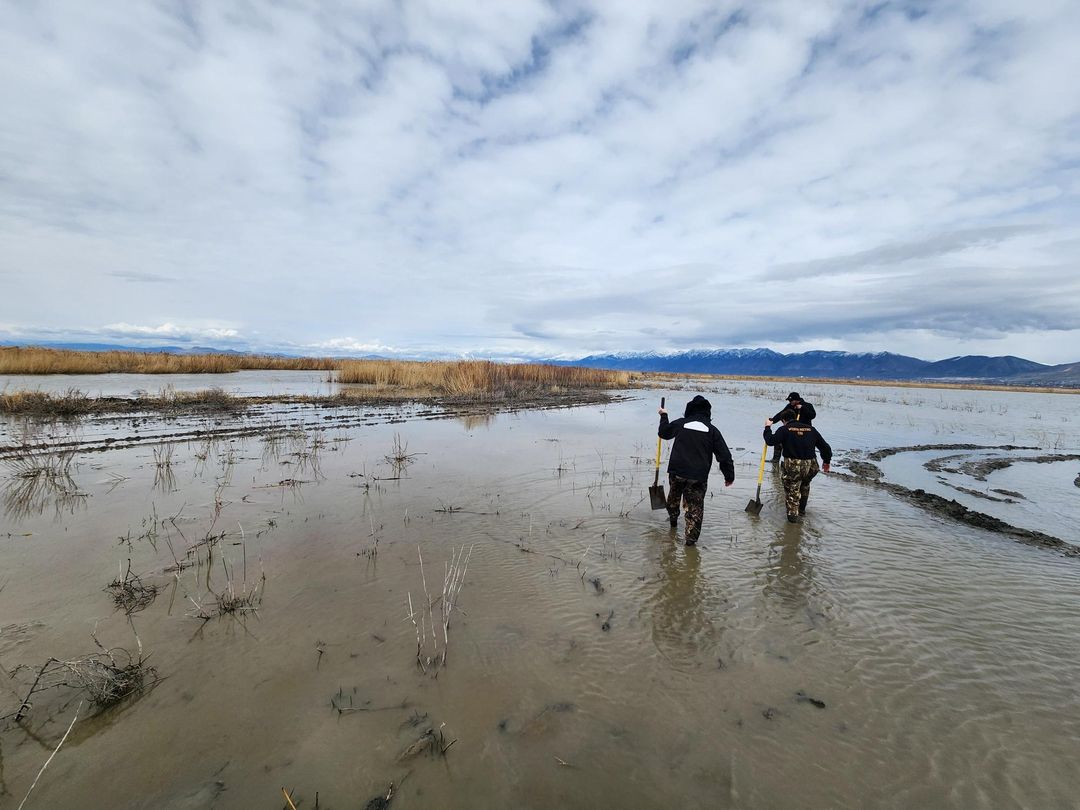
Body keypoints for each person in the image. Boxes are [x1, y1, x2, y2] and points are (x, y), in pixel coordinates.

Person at [658, 395, 735, 545]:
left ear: (689, 410)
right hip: (697, 476)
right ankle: (690, 544)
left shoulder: (681, 423)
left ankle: (673, 523)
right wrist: (729, 476)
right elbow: (725, 456)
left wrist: (664, 416)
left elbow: (664, 432)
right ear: (708, 412)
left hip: (677, 471)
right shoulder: (712, 430)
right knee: (695, 510)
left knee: (673, 500)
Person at [763, 414, 832, 523]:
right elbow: (825, 447)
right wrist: (826, 461)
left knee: (792, 490)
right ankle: (802, 511)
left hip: (794, 465)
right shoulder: (811, 429)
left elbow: (770, 441)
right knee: (805, 484)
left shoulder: (784, 429)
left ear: (783, 420)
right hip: (811, 465)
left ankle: (792, 522)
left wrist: (767, 427)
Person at [770, 392, 817, 463]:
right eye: (789, 400)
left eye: (791, 400)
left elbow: (812, 415)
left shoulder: (808, 405)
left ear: (797, 400)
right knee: (778, 440)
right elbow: (781, 414)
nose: (790, 402)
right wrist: (773, 420)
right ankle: (775, 460)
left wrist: (802, 408)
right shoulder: (790, 406)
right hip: (792, 430)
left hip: (805, 432)